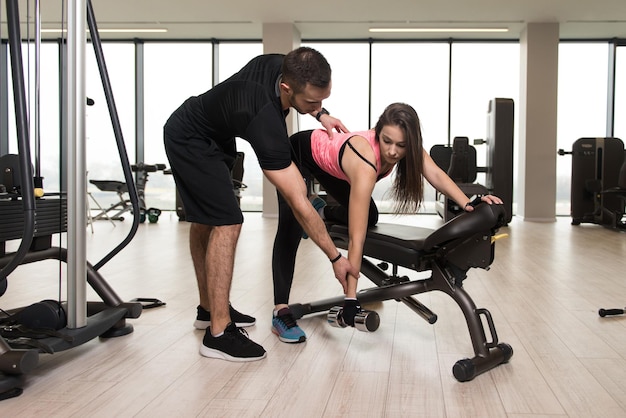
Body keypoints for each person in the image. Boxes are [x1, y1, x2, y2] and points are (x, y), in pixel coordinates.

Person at [164, 47, 360, 362]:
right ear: (286, 88)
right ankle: (217, 333)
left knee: (208, 220)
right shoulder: (263, 119)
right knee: (228, 221)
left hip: (217, 133)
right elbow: (299, 202)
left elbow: (305, 92)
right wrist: (335, 257)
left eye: (323, 99)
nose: (317, 106)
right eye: (312, 102)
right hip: (188, 137)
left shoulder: (283, 64)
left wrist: (321, 115)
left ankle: (209, 309)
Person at [270, 102, 503, 343]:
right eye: (386, 141)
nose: (392, 151)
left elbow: (435, 174)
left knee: (369, 216)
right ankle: (280, 311)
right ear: (378, 132)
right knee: (290, 227)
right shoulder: (365, 161)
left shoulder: (405, 150)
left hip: (331, 166)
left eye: (401, 145)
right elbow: (356, 237)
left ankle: (320, 210)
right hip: (299, 154)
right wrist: (351, 297)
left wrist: (469, 204)